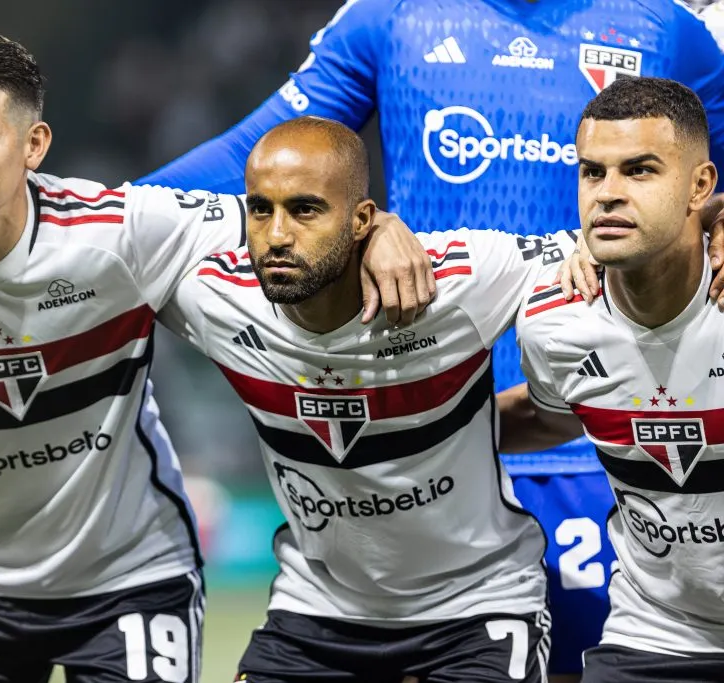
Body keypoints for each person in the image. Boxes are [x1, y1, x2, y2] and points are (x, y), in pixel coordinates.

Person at [0, 32, 430, 683]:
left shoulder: (121, 235)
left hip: (132, 577)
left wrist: (379, 227)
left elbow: (288, 221)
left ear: (34, 147)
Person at [126, 2, 724, 678]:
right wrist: (90, 234)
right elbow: (259, 156)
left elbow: (710, 179)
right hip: (435, 445)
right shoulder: (390, 16)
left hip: (611, 447)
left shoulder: (668, 27)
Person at [156, 115, 583, 682]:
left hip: (477, 606)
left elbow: (624, 242)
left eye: (306, 209)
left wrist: (715, 216)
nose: (278, 234)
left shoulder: (456, 281)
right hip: (319, 611)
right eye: (261, 209)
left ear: (360, 219)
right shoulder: (214, 298)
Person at [507, 77, 724, 682]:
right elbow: (543, 416)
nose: (607, 195)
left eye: (640, 170)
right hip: (654, 635)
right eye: (592, 172)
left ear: (700, 187)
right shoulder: (555, 324)